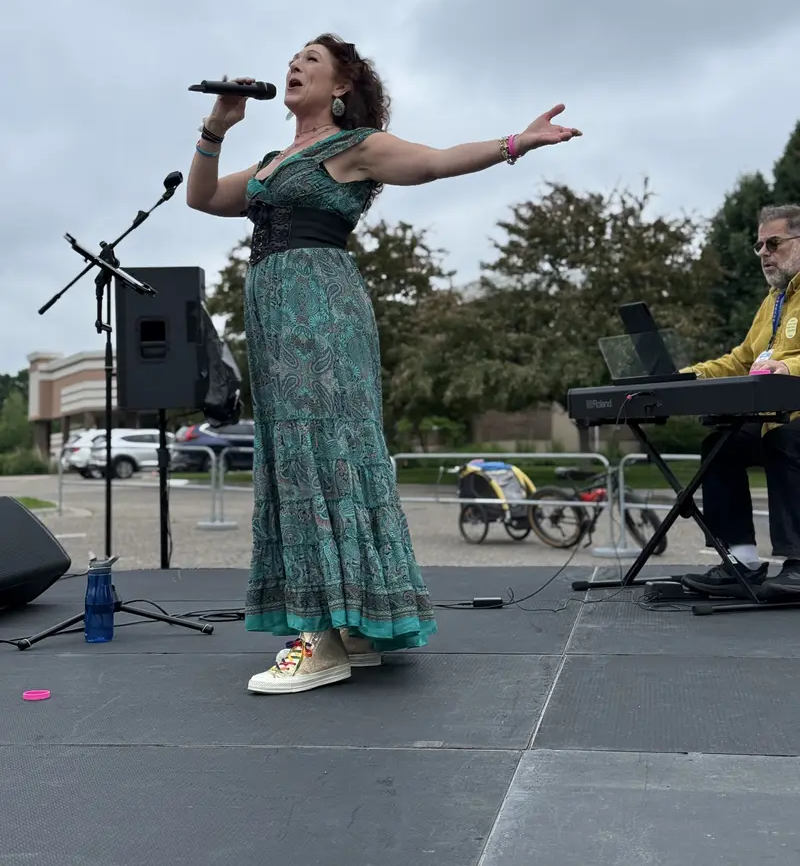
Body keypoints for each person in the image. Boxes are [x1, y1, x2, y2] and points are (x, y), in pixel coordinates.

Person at [186, 34, 581, 693]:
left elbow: (434, 163)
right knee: (304, 453)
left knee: (326, 451)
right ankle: (356, 626)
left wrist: (517, 142)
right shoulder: (272, 162)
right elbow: (201, 198)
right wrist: (216, 128)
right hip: (275, 315)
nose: (295, 65)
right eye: (292, 58)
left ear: (341, 86)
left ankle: (320, 637)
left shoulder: (355, 146)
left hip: (320, 311)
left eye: (311, 60)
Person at [681, 205, 800, 600]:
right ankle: (741, 561)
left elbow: (779, 364)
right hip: (778, 413)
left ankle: (798, 564)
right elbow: (741, 360)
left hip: (791, 421)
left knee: (783, 440)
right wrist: (687, 375)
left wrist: (787, 367)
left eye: (773, 243)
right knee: (721, 445)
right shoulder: (773, 300)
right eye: (759, 245)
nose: (764, 253)